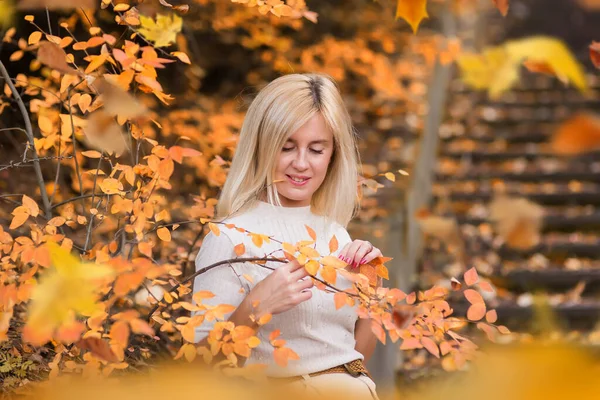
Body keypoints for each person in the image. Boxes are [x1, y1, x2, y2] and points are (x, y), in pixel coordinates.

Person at [192, 73, 383, 399]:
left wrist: (372, 291)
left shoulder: (334, 234)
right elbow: (199, 370)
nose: (301, 163)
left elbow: (353, 360)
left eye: (316, 149)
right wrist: (256, 305)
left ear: (334, 154)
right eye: (287, 147)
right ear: (262, 146)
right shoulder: (229, 237)